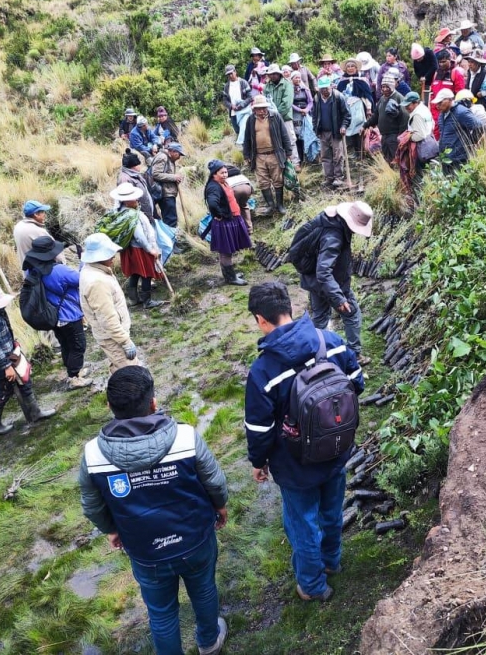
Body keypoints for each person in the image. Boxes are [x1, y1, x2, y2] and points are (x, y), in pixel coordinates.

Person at [79, 365, 229, 655]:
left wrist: (110, 529)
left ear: (110, 407)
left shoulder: (93, 454)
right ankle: (209, 641)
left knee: (161, 612)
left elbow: (91, 505)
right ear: (154, 403)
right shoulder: (186, 437)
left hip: (145, 551)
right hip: (195, 539)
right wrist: (220, 507)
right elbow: (215, 481)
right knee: (204, 589)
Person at [243, 281, 364, 603]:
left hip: (295, 464)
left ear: (260, 319)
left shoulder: (263, 370)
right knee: (331, 510)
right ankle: (332, 562)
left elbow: (259, 430)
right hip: (337, 448)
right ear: (289, 308)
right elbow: (357, 385)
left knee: (303, 524)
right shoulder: (332, 342)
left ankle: (312, 585)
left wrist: (259, 462)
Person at [0, 284, 56, 435]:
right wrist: (6, 366)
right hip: (0, 365)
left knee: (25, 383)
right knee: (3, 391)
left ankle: (35, 413)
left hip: (8, 358)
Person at [298, 201, 372, 361]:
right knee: (352, 314)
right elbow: (324, 272)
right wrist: (338, 297)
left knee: (320, 316)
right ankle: (354, 355)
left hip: (312, 280)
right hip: (330, 282)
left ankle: (316, 356)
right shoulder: (334, 237)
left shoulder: (327, 221)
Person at [23, 237, 91, 389]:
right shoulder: (59, 270)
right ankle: (74, 377)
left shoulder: (32, 270)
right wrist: (83, 261)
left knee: (66, 344)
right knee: (78, 346)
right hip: (69, 315)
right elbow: (82, 279)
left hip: (52, 316)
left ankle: (73, 372)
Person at [79, 233, 136, 372]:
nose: (113, 256)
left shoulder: (95, 270)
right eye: (109, 253)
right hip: (113, 338)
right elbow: (107, 318)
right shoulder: (97, 282)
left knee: (120, 369)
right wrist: (125, 341)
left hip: (112, 335)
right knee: (132, 374)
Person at [110, 183, 164, 310]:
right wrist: (151, 250)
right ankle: (147, 301)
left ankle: (133, 299)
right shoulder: (131, 215)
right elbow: (139, 236)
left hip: (128, 249)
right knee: (146, 273)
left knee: (135, 273)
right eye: (134, 198)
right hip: (139, 249)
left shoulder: (118, 212)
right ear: (127, 201)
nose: (137, 200)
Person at [243, 94, 293, 214]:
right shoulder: (251, 120)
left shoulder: (275, 116)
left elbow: (284, 134)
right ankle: (270, 205)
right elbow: (247, 139)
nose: (262, 111)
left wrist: (288, 152)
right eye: (259, 108)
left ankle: (280, 205)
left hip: (274, 153)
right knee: (263, 181)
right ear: (254, 109)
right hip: (259, 155)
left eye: (264, 108)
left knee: (278, 179)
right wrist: (246, 155)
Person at [205, 160, 252, 286]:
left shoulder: (223, 183)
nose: (225, 175)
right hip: (224, 223)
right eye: (222, 173)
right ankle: (230, 278)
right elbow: (212, 204)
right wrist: (220, 215)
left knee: (229, 250)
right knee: (226, 251)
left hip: (231, 219)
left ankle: (230, 275)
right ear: (214, 174)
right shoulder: (214, 187)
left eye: (226, 172)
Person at [311, 76, 351, 190]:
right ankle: (329, 178)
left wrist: (343, 126)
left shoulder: (338, 97)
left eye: (326, 88)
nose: (324, 91)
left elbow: (347, 115)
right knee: (325, 156)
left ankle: (338, 178)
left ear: (331, 86)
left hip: (336, 132)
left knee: (337, 155)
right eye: (322, 88)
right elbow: (314, 115)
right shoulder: (317, 98)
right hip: (323, 132)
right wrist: (315, 128)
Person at [363, 76, 408, 164]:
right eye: (383, 86)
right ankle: (388, 175)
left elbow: (405, 117)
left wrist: (400, 136)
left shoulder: (399, 98)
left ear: (392, 86)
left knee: (395, 158)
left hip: (394, 135)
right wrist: (365, 125)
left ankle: (397, 176)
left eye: (387, 87)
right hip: (384, 135)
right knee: (387, 158)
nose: (384, 89)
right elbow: (376, 115)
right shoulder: (382, 99)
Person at [263, 64, 300, 170]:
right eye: (270, 74)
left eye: (275, 74)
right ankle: (282, 163)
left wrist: (277, 115)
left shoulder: (287, 85)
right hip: (271, 118)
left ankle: (295, 162)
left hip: (285, 117)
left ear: (279, 74)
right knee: (277, 141)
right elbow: (266, 102)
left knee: (290, 140)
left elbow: (287, 103)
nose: (273, 76)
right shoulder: (267, 87)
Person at [14, 200, 66, 268]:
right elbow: (56, 252)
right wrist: (63, 265)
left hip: (28, 270)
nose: (44, 214)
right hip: (41, 272)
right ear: (36, 214)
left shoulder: (18, 226)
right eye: (43, 212)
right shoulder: (38, 231)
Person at [429, 50, 466, 139]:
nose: (441, 64)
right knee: (436, 135)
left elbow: (460, 95)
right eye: (440, 62)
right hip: (436, 112)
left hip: (449, 111)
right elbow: (433, 93)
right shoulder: (436, 73)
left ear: (450, 60)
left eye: (444, 62)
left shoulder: (455, 73)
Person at [149, 142, 185, 228]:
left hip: (167, 192)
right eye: (179, 154)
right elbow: (156, 174)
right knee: (170, 220)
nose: (179, 157)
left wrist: (175, 178)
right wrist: (174, 177)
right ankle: (171, 239)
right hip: (165, 194)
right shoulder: (163, 157)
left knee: (170, 218)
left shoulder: (168, 158)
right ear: (172, 151)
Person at [117, 150, 156, 224]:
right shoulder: (124, 179)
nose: (140, 166)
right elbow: (128, 201)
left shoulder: (137, 175)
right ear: (134, 166)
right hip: (137, 218)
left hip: (146, 214)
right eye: (139, 164)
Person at [222, 65, 253, 135]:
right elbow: (225, 100)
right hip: (233, 114)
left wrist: (241, 105)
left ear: (235, 72)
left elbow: (250, 97)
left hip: (245, 112)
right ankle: (243, 146)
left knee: (247, 132)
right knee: (238, 132)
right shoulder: (226, 86)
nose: (230, 76)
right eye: (228, 74)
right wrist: (231, 106)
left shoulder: (243, 82)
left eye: (231, 73)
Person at [291, 72, 314, 164]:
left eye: (299, 78)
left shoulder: (305, 89)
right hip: (295, 114)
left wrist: (306, 110)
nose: (298, 80)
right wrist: (299, 110)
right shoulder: (290, 90)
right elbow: (290, 103)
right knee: (297, 136)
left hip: (305, 114)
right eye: (296, 78)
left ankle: (309, 158)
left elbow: (311, 101)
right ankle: (300, 159)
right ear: (292, 79)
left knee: (307, 134)